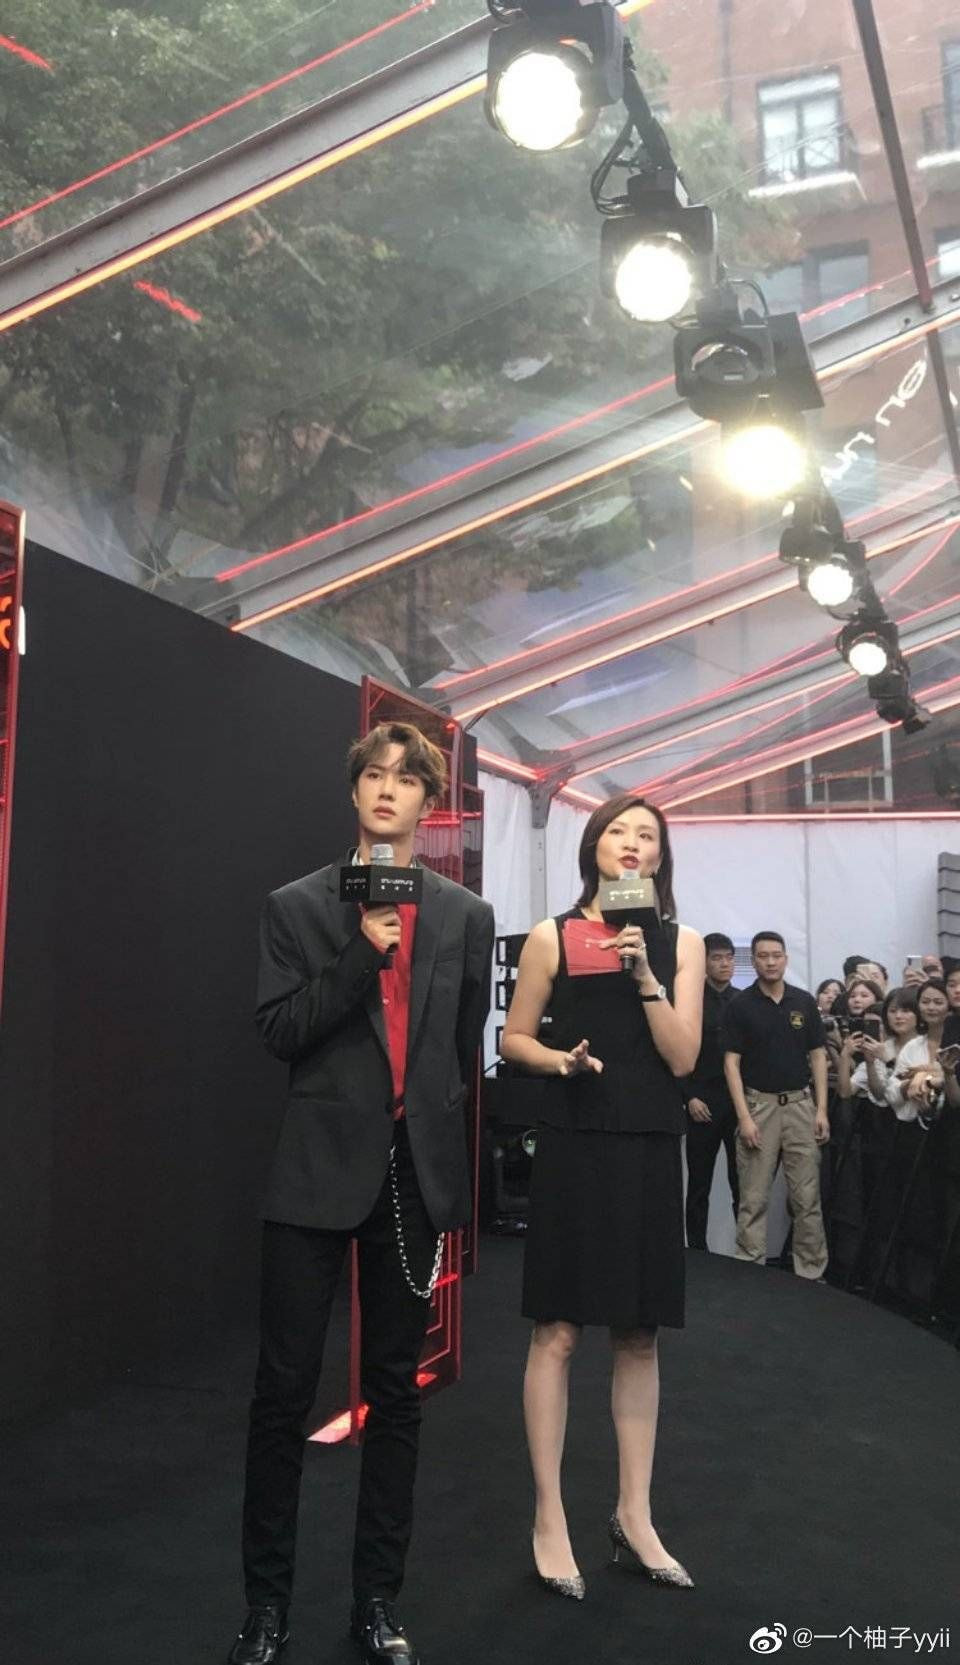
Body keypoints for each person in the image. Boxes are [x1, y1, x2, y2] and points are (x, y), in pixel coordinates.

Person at [227, 722, 494, 1665]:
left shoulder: (464, 914)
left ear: (427, 802)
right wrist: (360, 954)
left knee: (396, 1394)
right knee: (282, 1394)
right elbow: (280, 1030)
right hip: (313, 1172)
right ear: (354, 794)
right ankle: (265, 1605)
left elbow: (459, 1044)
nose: (388, 789)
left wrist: (433, 1138)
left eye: (406, 778)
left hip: (410, 1176)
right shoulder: (297, 905)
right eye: (373, 775)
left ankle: (378, 1601)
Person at [500, 795, 703, 1598]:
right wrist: (561, 1060)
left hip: (649, 1143)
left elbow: (683, 1058)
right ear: (594, 846)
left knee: (640, 1334)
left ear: (659, 857)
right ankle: (549, 1515)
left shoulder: (681, 942)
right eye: (619, 830)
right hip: (576, 1140)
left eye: (647, 834)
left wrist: (646, 976)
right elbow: (515, 1037)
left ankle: (634, 1513)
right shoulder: (552, 935)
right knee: (556, 1330)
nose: (632, 843)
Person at [723, 933, 830, 1281]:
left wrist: (821, 1109)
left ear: (785, 958)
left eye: (776, 955)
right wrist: (744, 1117)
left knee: (806, 1198)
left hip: (801, 1105)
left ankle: (811, 1272)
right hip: (760, 1107)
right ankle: (749, 1268)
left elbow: (818, 1055)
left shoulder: (803, 1001)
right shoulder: (740, 1005)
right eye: (763, 956)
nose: (770, 962)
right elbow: (731, 1064)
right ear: (753, 960)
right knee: (753, 1198)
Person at [683, 932, 740, 1251]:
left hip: (737, 1104)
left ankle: (747, 1250)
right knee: (698, 1183)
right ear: (704, 962)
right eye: (717, 958)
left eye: (729, 957)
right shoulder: (689, 999)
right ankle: (696, 1251)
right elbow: (676, 1054)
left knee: (742, 1182)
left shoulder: (743, 1001)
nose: (724, 964)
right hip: (700, 1100)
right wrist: (688, 1096)